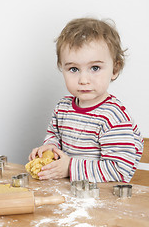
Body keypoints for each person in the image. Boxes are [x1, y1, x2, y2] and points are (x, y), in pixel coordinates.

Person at [29, 18, 143, 183]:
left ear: (115, 69)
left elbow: (119, 170)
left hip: (101, 198)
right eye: (73, 69)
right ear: (62, 68)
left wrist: (69, 167)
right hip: (70, 192)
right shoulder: (63, 107)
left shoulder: (113, 117)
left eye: (95, 68)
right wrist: (50, 147)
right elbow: (54, 135)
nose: (83, 79)